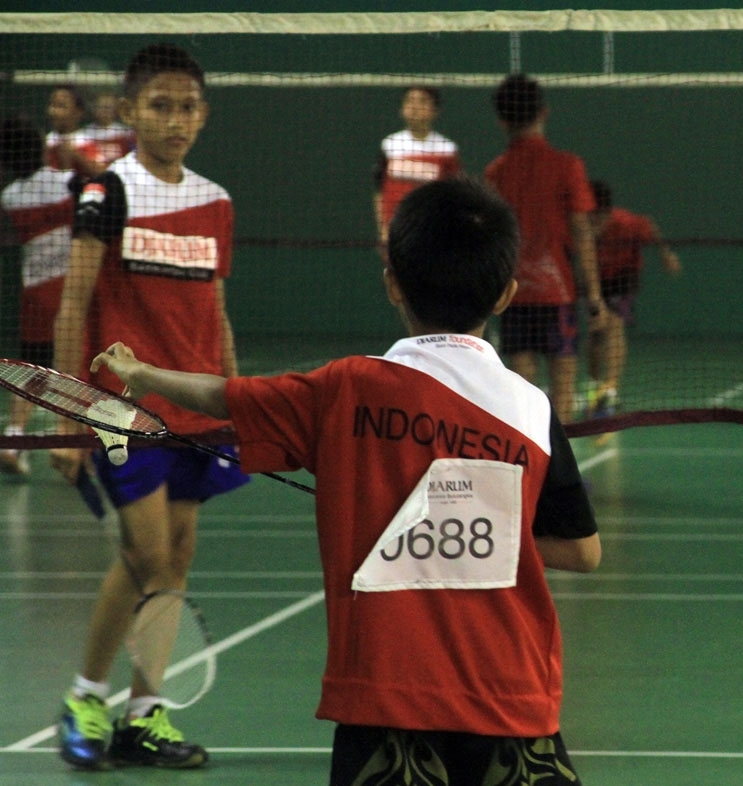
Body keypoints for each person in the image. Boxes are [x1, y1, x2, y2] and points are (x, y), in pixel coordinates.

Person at [92, 175, 602, 786]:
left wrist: (144, 374)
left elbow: (224, 396)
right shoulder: (531, 410)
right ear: (506, 295)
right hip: (512, 698)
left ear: (392, 283)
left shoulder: (345, 388)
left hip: (385, 701)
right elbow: (582, 552)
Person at [49, 43, 249, 770]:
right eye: (160, 106)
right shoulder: (106, 193)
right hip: (122, 412)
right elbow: (73, 306)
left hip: (197, 408)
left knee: (178, 555)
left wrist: (239, 397)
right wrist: (66, 420)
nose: (176, 120)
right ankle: (84, 697)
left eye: (188, 107)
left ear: (204, 114)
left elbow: (216, 312)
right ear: (130, 111)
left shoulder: (216, 201)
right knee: (145, 554)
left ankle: (144, 712)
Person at [485, 73, 607, 423]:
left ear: (502, 120)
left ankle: (527, 455)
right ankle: (560, 457)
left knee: (521, 390)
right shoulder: (568, 166)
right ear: (544, 112)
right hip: (557, 294)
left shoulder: (495, 172)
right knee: (563, 389)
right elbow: (582, 233)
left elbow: (492, 239)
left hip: (513, 295)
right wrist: (595, 297)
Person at [0, 116, 76, 475]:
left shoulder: (10, 197)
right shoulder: (67, 182)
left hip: (34, 292)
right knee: (79, 368)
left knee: (33, 368)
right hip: (71, 290)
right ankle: (73, 443)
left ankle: (14, 438)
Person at [584, 180, 681, 417]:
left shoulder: (628, 223)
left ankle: (611, 390)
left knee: (614, 325)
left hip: (623, 276)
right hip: (595, 278)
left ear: (607, 213)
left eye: (597, 218)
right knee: (595, 335)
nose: (594, 224)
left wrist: (666, 254)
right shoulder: (579, 226)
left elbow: (651, 228)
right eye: (590, 218)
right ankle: (595, 386)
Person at [372, 85, 461, 249]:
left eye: (422, 102)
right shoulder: (390, 145)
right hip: (398, 233)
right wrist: (383, 229)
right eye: (409, 101)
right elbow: (379, 191)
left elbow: (455, 195)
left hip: (433, 234)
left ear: (435, 110)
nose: (414, 107)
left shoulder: (446, 149)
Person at [45, 84, 106, 180]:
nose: (53, 111)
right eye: (52, 105)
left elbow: (103, 174)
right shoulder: (46, 142)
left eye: (61, 106)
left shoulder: (86, 142)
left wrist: (76, 155)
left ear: (78, 112)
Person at [83, 90, 136, 166]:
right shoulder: (84, 134)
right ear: (94, 109)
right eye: (101, 107)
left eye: (109, 107)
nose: (105, 111)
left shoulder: (126, 133)